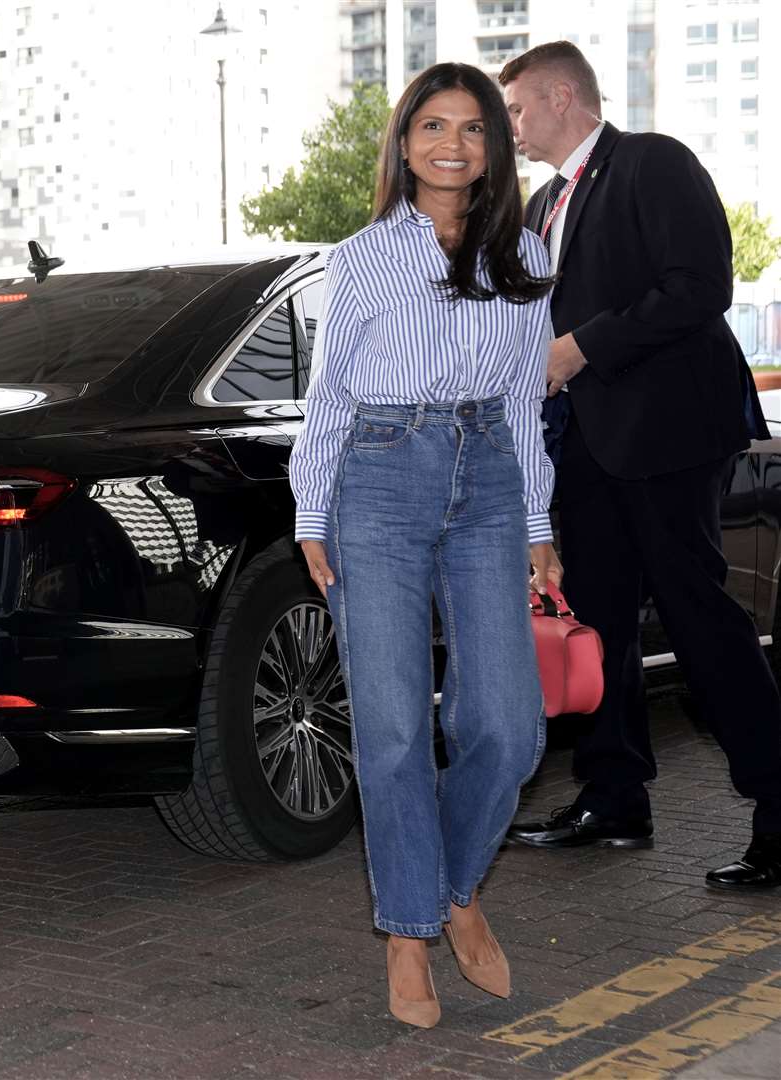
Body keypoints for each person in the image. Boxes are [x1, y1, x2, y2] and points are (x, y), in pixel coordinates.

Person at [290, 62, 560, 1029]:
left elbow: (527, 403)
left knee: (509, 725)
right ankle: (410, 932)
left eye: (474, 128)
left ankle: (450, 886)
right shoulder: (361, 256)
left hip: (489, 472)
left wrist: (539, 526)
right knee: (396, 727)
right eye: (433, 126)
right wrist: (309, 511)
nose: (453, 144)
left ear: (494, 146)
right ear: (404, 144)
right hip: (379, 477)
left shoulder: (523, 254)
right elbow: (329, 395)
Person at [499, 42, 781, 891]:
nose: (509, 126)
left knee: (701, 621)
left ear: (561, 96)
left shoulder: (651, 162)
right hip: (581, 446)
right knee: (603, 626)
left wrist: (581, 347)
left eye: (515, 109)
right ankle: (614, 796)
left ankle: (778, 809)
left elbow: (700, 285)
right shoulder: (544, 202)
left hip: (667, 433)